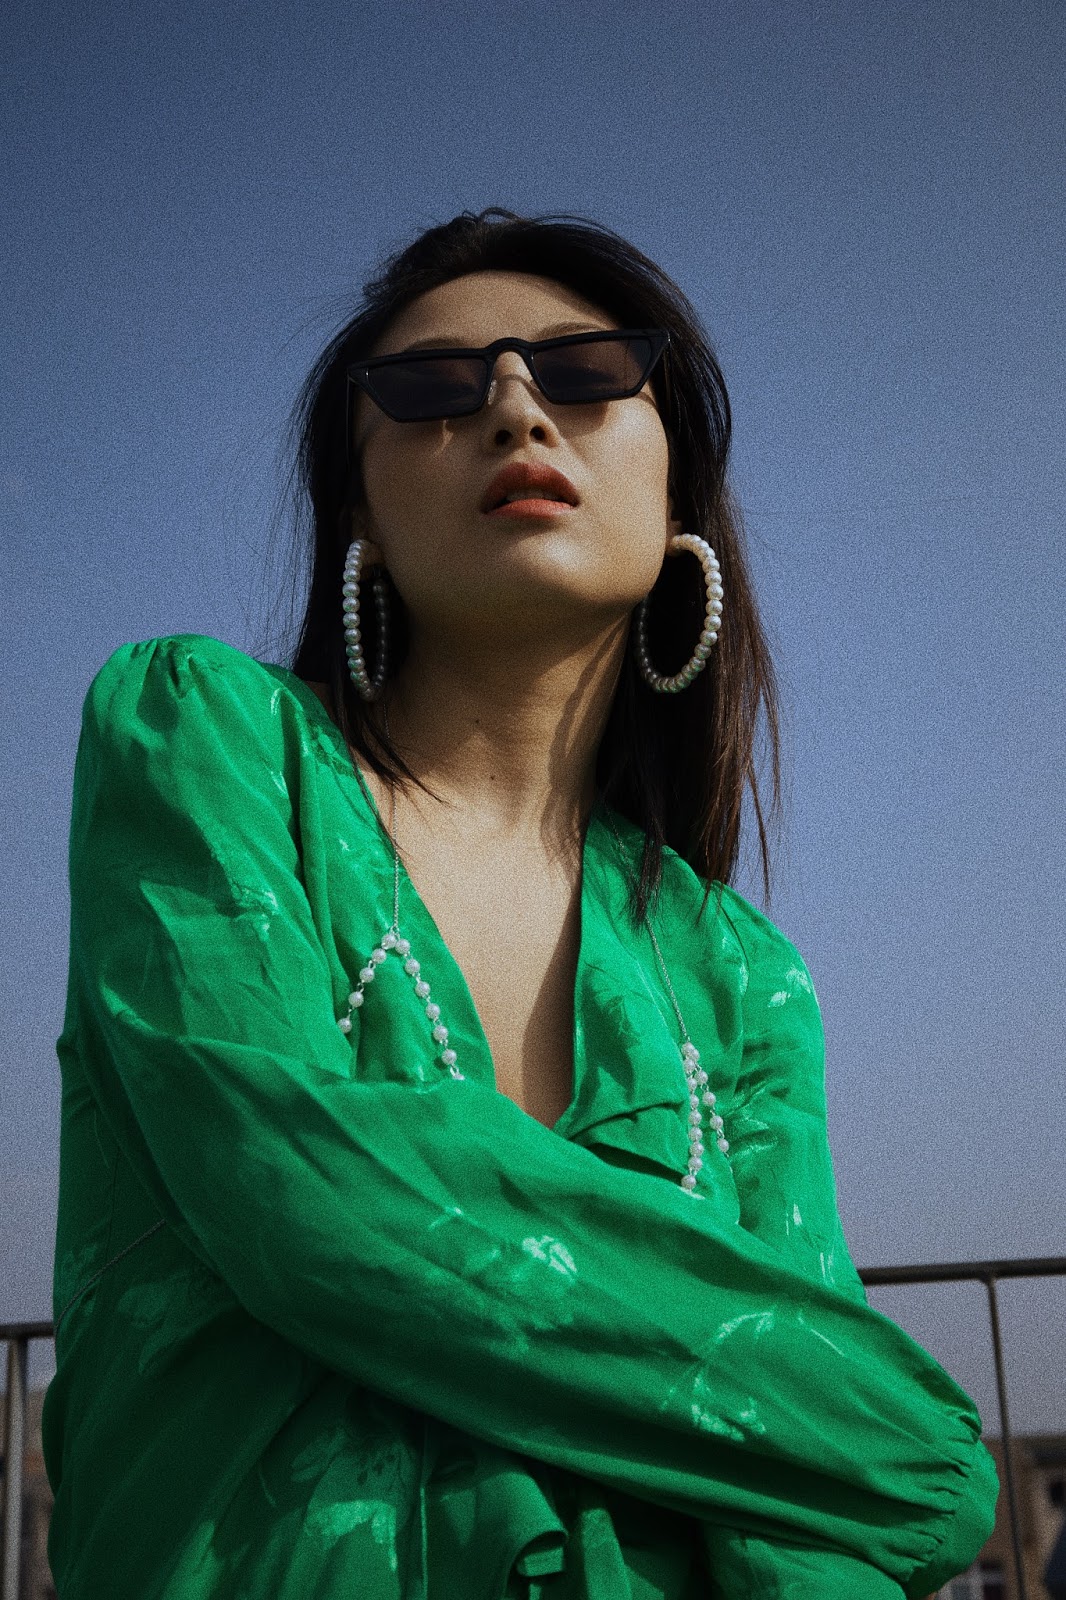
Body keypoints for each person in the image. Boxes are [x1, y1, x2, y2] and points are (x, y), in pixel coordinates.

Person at [42, 208, 997, 1600]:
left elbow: (822, 1534)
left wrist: (880, 1466)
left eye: (589, 370)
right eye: (429, 388)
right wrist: (919, 1455)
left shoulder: (740, 974)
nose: (511, 407)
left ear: (677, 495)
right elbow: (306, 1205)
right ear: (358, 516)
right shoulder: (203, 741)